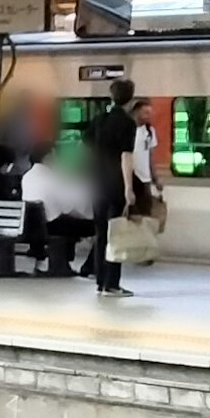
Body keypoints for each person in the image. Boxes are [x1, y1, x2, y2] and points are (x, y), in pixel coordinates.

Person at [81, 79, 145, 298]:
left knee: (101, 234)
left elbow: (85, 145)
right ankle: (112, 284)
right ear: (131, 97)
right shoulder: (127, 123)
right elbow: (126, 157)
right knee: (116, 233)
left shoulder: (99, 119)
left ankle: (100, 281)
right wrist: (129, 188)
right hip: (115, 184)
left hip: (97, 183)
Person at [22, 142, 102, 275]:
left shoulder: (27, 177)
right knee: (101, 227)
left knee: (70, 222)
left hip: (33, 227)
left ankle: (64, 263)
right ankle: (89, 267)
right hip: (53, 226)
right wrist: (89, 216)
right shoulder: (52, 177)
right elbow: (68, 207)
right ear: (48, 157)